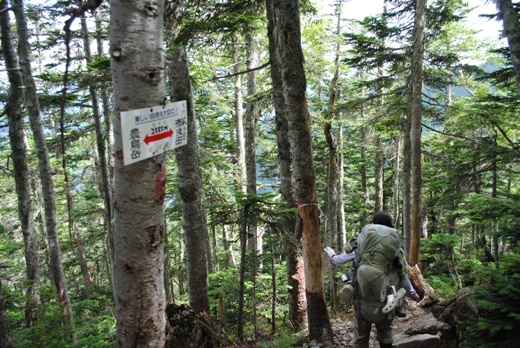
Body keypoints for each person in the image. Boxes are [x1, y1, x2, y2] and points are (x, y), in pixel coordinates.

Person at [324, 212, 419, 348]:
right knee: (385, 333)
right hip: (386, 299)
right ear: (390, 225)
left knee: (361, 335)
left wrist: (332, 255)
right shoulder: (395, 248)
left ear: (373, 224)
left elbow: (339, 260)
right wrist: (412, 293)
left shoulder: (362, 243)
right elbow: (403, 275)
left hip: (361, 297)